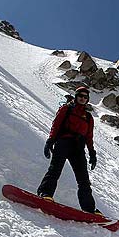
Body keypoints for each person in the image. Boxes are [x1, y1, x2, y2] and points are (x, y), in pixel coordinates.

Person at [37, 86, 100, 214]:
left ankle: (89, 209)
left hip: (78, 148)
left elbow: (89, 137)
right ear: (76, 96)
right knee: (55, 170)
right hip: (63, 143)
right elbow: (56, 125)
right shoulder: (66, 109)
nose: (82, 98)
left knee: (83, 180)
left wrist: (92, 153)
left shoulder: (88, 117)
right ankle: (45, 194)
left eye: (85, 97)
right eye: (80, 96)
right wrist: (50, 141)